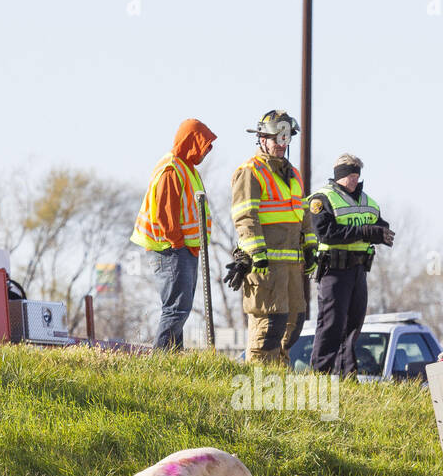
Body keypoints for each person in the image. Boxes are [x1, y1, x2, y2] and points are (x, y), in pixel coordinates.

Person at [231, 110, 318, 364]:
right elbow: (245, 216)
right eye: (276, 138)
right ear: (261, 139)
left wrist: (310, 247)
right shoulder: (250, 171)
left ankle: (279, 381)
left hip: (292, 267)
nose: (281, 144)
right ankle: (258, 383)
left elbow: (302, 214)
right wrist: (256, 253)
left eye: (286, 138)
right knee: (269, 327)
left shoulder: (293, 174)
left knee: (293, 323)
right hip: (265, 266)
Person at [130, 119, 217, 350]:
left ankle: (173, 359)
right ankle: (161, 360)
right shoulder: (172, 168)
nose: (206, 152)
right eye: (203, 146)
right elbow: (165, 213)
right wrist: (178, 244)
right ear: (192, 142)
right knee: (177, 308)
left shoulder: (186, 167)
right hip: (171, 249)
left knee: (179, 308)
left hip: (183, 249)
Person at [308, 153, 394, 375]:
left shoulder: (368, 202)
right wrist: (364, 232)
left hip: (358, 271)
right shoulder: (322, 199)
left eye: (357, 176)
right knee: (331, 325)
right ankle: (320, 375)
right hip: (334, 271)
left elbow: (380, 225)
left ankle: (347, 375)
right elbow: (326, 233)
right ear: (339, 176)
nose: (354, 180)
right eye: (350, 176)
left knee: (354, 325)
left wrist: (380, 233)